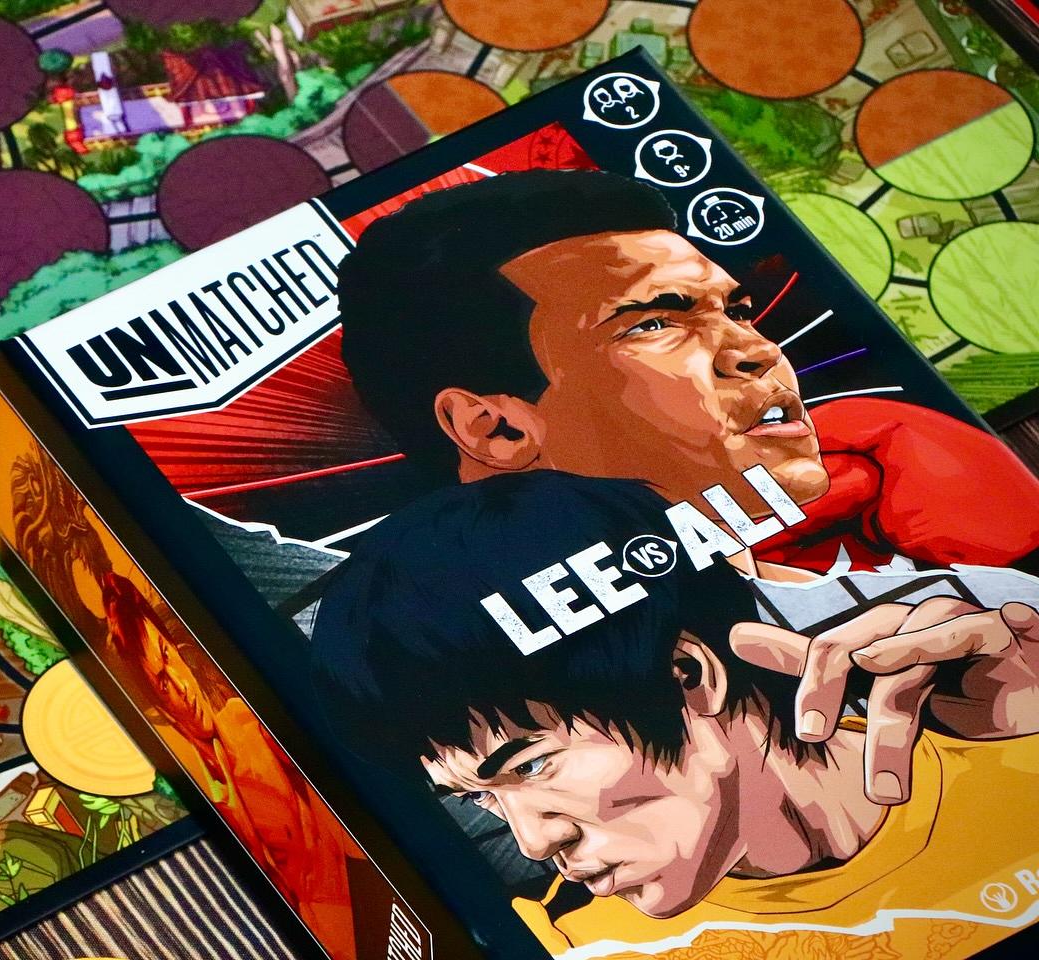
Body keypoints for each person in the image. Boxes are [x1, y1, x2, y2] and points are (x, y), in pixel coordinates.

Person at [310, 469, 1039, 957]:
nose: (534, 841)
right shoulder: (572, 943)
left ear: (689, 675)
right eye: (480, 797)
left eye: (530, 766)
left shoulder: (1011, 725)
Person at [336, 168, 1039, 574]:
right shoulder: (429, 652)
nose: (756, 351)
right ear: (496, 429)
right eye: (653, 323)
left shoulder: (868, 500)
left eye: (737, 310)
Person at [100, 572, 361, 960]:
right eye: (162, 680)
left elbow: (348, 809)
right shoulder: (196, 791)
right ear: (155, 698)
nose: (180, 684)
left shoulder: (247, 721)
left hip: (360, 907)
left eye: (168, 657)